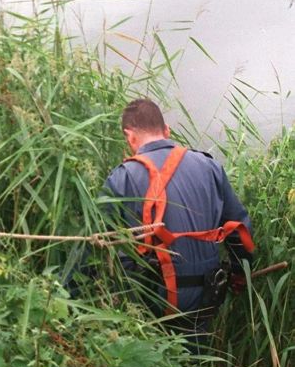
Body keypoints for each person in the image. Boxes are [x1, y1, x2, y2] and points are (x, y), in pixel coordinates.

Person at [69, 98, 255, 346]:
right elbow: (240, 231)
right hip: (207, 296)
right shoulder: (211, 167)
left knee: (154, 366)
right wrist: (241, 276)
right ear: (166, 130)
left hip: (153, 300)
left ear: (129, 136)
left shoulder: (122, 178)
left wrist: (69, 297)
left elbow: (91, 246)